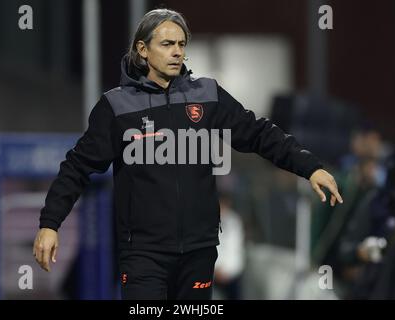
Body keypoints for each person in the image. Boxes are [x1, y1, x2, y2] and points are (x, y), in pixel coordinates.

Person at [33, 8, 343, 300]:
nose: (177, 51)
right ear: (143, 49)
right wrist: (50, 224)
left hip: (200, 250)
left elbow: (259, 133)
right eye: (167, 43)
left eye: (181, 44)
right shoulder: (117, 107)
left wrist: (309, 167)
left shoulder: (208, 95)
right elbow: (76, 167)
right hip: (143, 253)